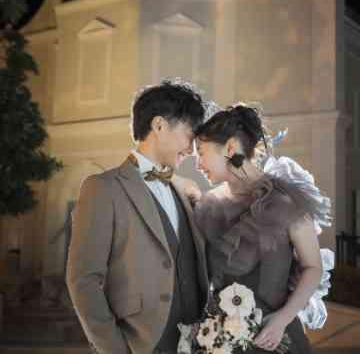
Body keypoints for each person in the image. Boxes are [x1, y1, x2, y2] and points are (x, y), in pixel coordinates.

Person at [66, 80, 209, 354]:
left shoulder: (185, 189)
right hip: (140, 344)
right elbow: (83, 279)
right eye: (189, 134)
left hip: (198, 343)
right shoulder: (102, 188)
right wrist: (115, 349)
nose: (192, 149)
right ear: (159, 125)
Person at [191, 104, 324, 353]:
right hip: (221, 342)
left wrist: (283, 318)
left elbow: (313, 267)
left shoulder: (285, 200)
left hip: (276, 338)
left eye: (200, 152)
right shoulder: (208, 206)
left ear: (230, 148)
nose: (197, 163)